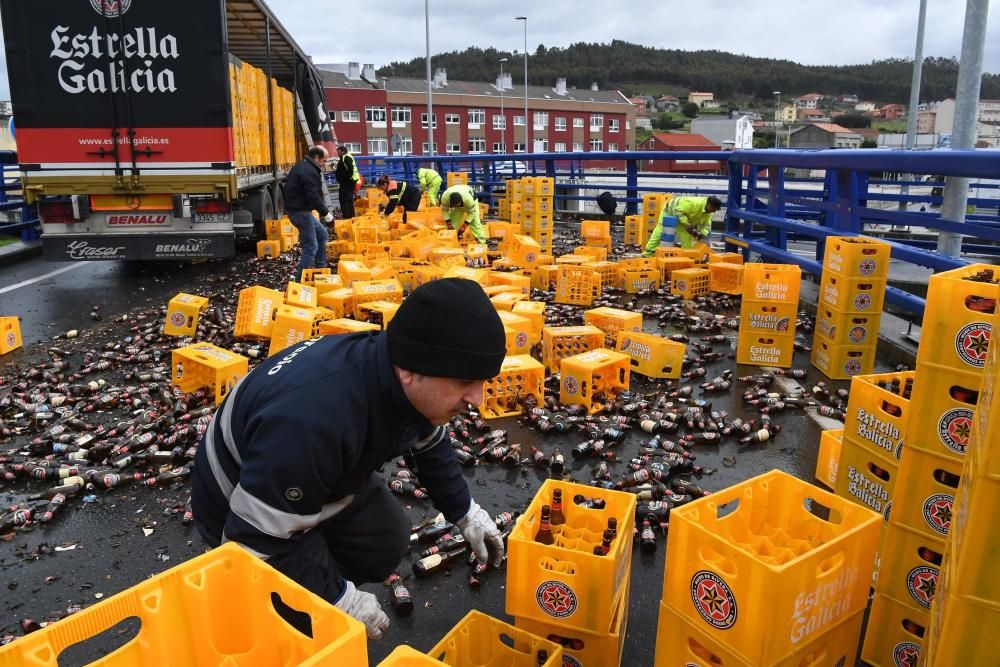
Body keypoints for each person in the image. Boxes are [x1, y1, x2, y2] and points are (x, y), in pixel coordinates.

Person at [192, 278, 507, 641]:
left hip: (310, 479)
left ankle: (313, 562)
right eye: (467, 381)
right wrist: (337, 598)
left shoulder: (401, 371)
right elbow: (254, 539)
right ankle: (281, 615)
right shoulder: (315, 422)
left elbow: (430, 444)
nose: (479, 399)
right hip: (237, 507)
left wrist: (466, 512)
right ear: (410, 371)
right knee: (310, 622)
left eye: (483, 382)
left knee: (386, 537)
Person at [284, 145, 333, 279]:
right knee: (311, 246)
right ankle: (299, 281)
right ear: (316, 158)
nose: (324, 165)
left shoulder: (305, 167)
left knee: (322, 234)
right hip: (299, 212)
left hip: (300, 210)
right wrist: (326, 214)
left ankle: (320, 270)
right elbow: (313, 195)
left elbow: (314, 194)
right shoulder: (308, 171)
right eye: (323, 161)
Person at [643, 195, 722, 256]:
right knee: (660, 233)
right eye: (714, 209)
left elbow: (707, 225)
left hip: (684, 220)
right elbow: (677, 211)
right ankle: (647, 254)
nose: (713, 212)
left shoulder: (708, 213)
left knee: (687, 241)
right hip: (670, 213)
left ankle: (686, 258)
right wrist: (686, 224)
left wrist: (702, 234)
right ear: (709, 205)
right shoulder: (693, 203)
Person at [335, 145, 361, 218]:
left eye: (339, 152)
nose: (338, 153)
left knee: (344, 199)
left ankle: (347, 216)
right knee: (348, 199)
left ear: (342, 151)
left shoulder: (346, 157)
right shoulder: (347, 157)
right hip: (349, 181)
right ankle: (350, 216)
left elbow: (350, 169)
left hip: (347, 182)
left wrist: (346, 178)